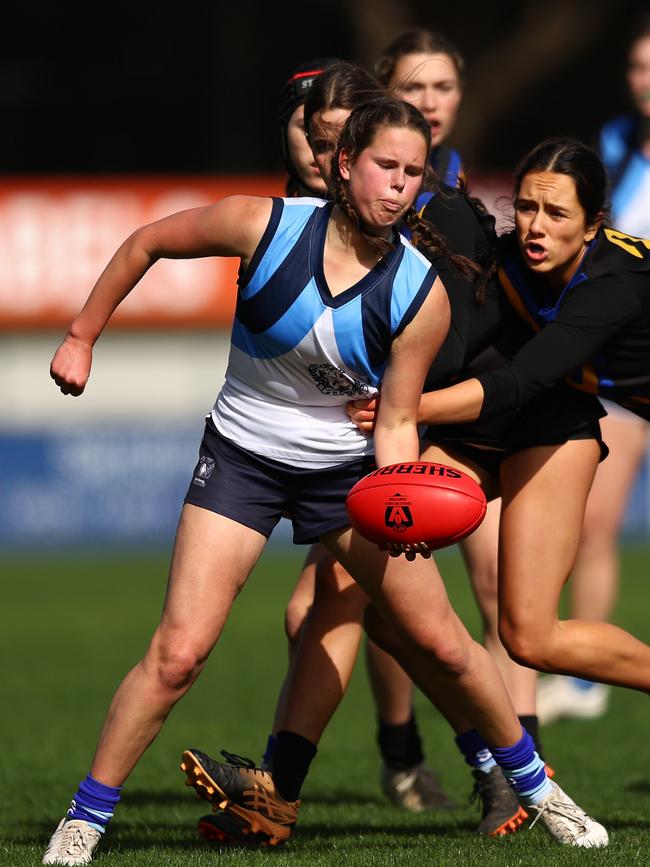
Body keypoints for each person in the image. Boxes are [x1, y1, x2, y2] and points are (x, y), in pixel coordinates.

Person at [41, 98, 604, 867]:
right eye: (386, 168)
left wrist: (401, 501)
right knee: (178, 654)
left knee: (440, 639)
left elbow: (396, 422)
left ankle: (541, 791)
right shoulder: (263, 226)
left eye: (413, 173)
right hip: (242, 459)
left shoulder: (420, 293)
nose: (400, 187)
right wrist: (81, 334)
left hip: (345, 476)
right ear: (344, 164)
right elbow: (146, 242)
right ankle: (84, 819)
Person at [537, 14, 650, 725]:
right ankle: (587, 682)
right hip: (625, 362)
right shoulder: (612, 145)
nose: (647, 82)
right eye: (639, 67)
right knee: (596, 517)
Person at [278, 57, 339, 198]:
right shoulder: (259, 218)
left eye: (341, 130)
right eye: (308, 128)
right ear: (284, 134)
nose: (324, 141)